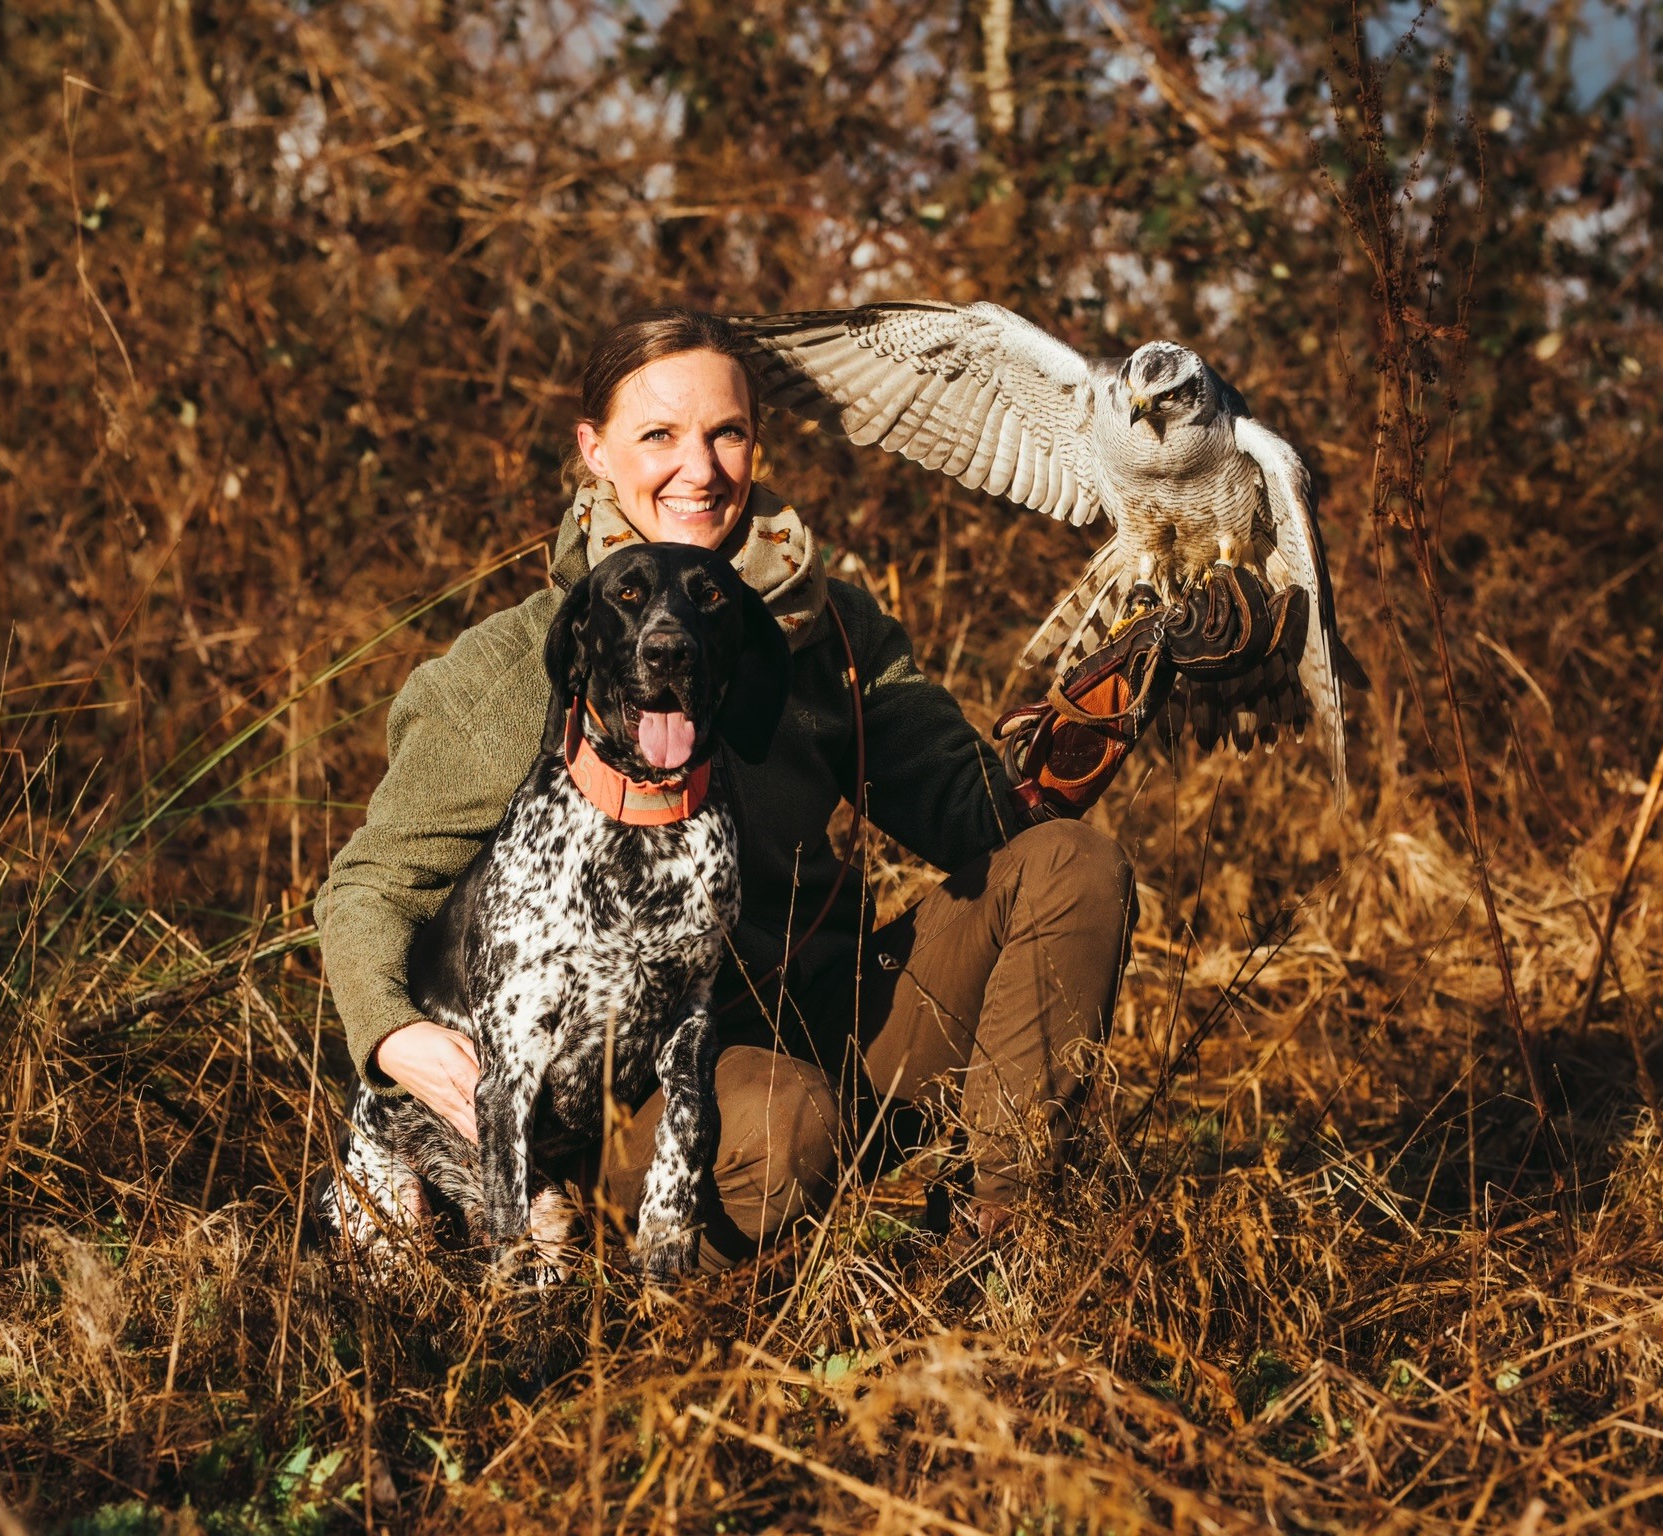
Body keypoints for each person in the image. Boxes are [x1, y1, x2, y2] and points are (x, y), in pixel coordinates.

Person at [315, 307, 1137, 1267]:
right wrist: (395, 1036)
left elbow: (979, 824)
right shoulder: (513, 666)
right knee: (789, 1130)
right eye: (659, 436)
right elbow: (370, 887)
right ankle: (616, 1255)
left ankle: (1004, 1240)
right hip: (646, 1091)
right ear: (594, 451)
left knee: (1071, 866)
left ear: (758, 442)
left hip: (828, 1014)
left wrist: (1107, 717)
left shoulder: (832, 630)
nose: (699, 470)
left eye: (727, 433)